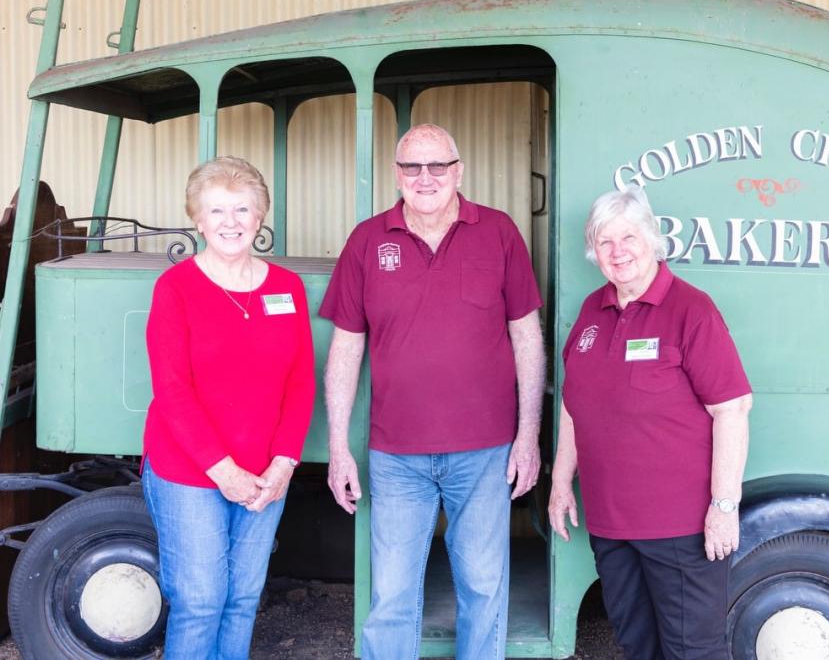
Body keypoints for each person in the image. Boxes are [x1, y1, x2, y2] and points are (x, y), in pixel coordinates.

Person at [320, 123, 545, 658]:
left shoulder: (498, 232)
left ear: (458, 171)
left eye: (438, 165)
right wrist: (337, 447)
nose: (426, 177)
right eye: (412, 167)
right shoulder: (367, 240)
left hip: (485, 450)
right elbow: (346, 350)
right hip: (396, 453)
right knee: (392, 596)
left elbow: (527, 338)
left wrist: (528, 436)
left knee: (483, 587)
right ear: (397, 174)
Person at [548, 186, 752, 660]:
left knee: (693, 651)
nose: (618, 251)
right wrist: (560, 482)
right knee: (636, 644)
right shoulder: (592, 310)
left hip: (680, 528)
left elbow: (732, 408)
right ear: (593, 251)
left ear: (651, 240)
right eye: (605, 242)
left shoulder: (691, 310)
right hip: (611, 525)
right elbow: (574, 403)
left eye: (628, 238)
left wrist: (724, 506)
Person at [142, 156, 315, 659]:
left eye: (242, 209)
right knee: (201, 602)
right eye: (217, 210)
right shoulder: (176, 288)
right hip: (190, 472)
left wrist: (284, 463)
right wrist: (225, 472)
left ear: (259, 217)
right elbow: (172, 390)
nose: (230, 222)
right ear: (198, 220)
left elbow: (301, 382)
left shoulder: (286, 287)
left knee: (241, 601)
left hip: (265, 474)